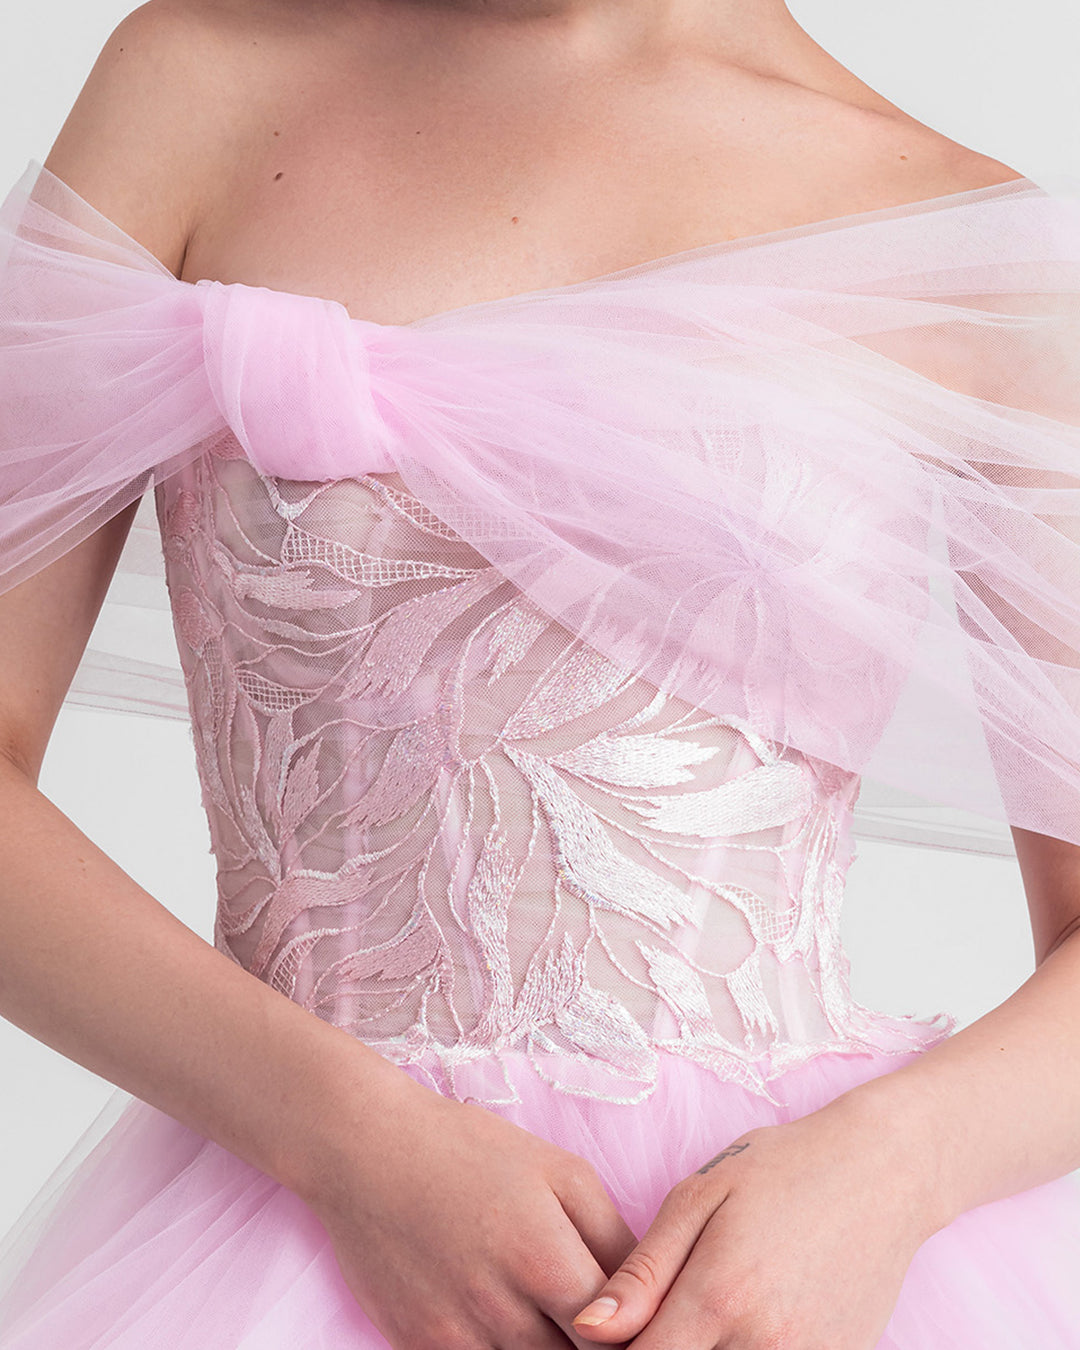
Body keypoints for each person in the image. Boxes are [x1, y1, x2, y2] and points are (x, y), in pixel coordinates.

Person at [2, 0, 1080, 1346]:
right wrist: (345, 1138)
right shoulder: (198, 87)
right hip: (290, 1227)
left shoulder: (966, 240)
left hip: (792, 1274)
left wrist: (896, 1171)